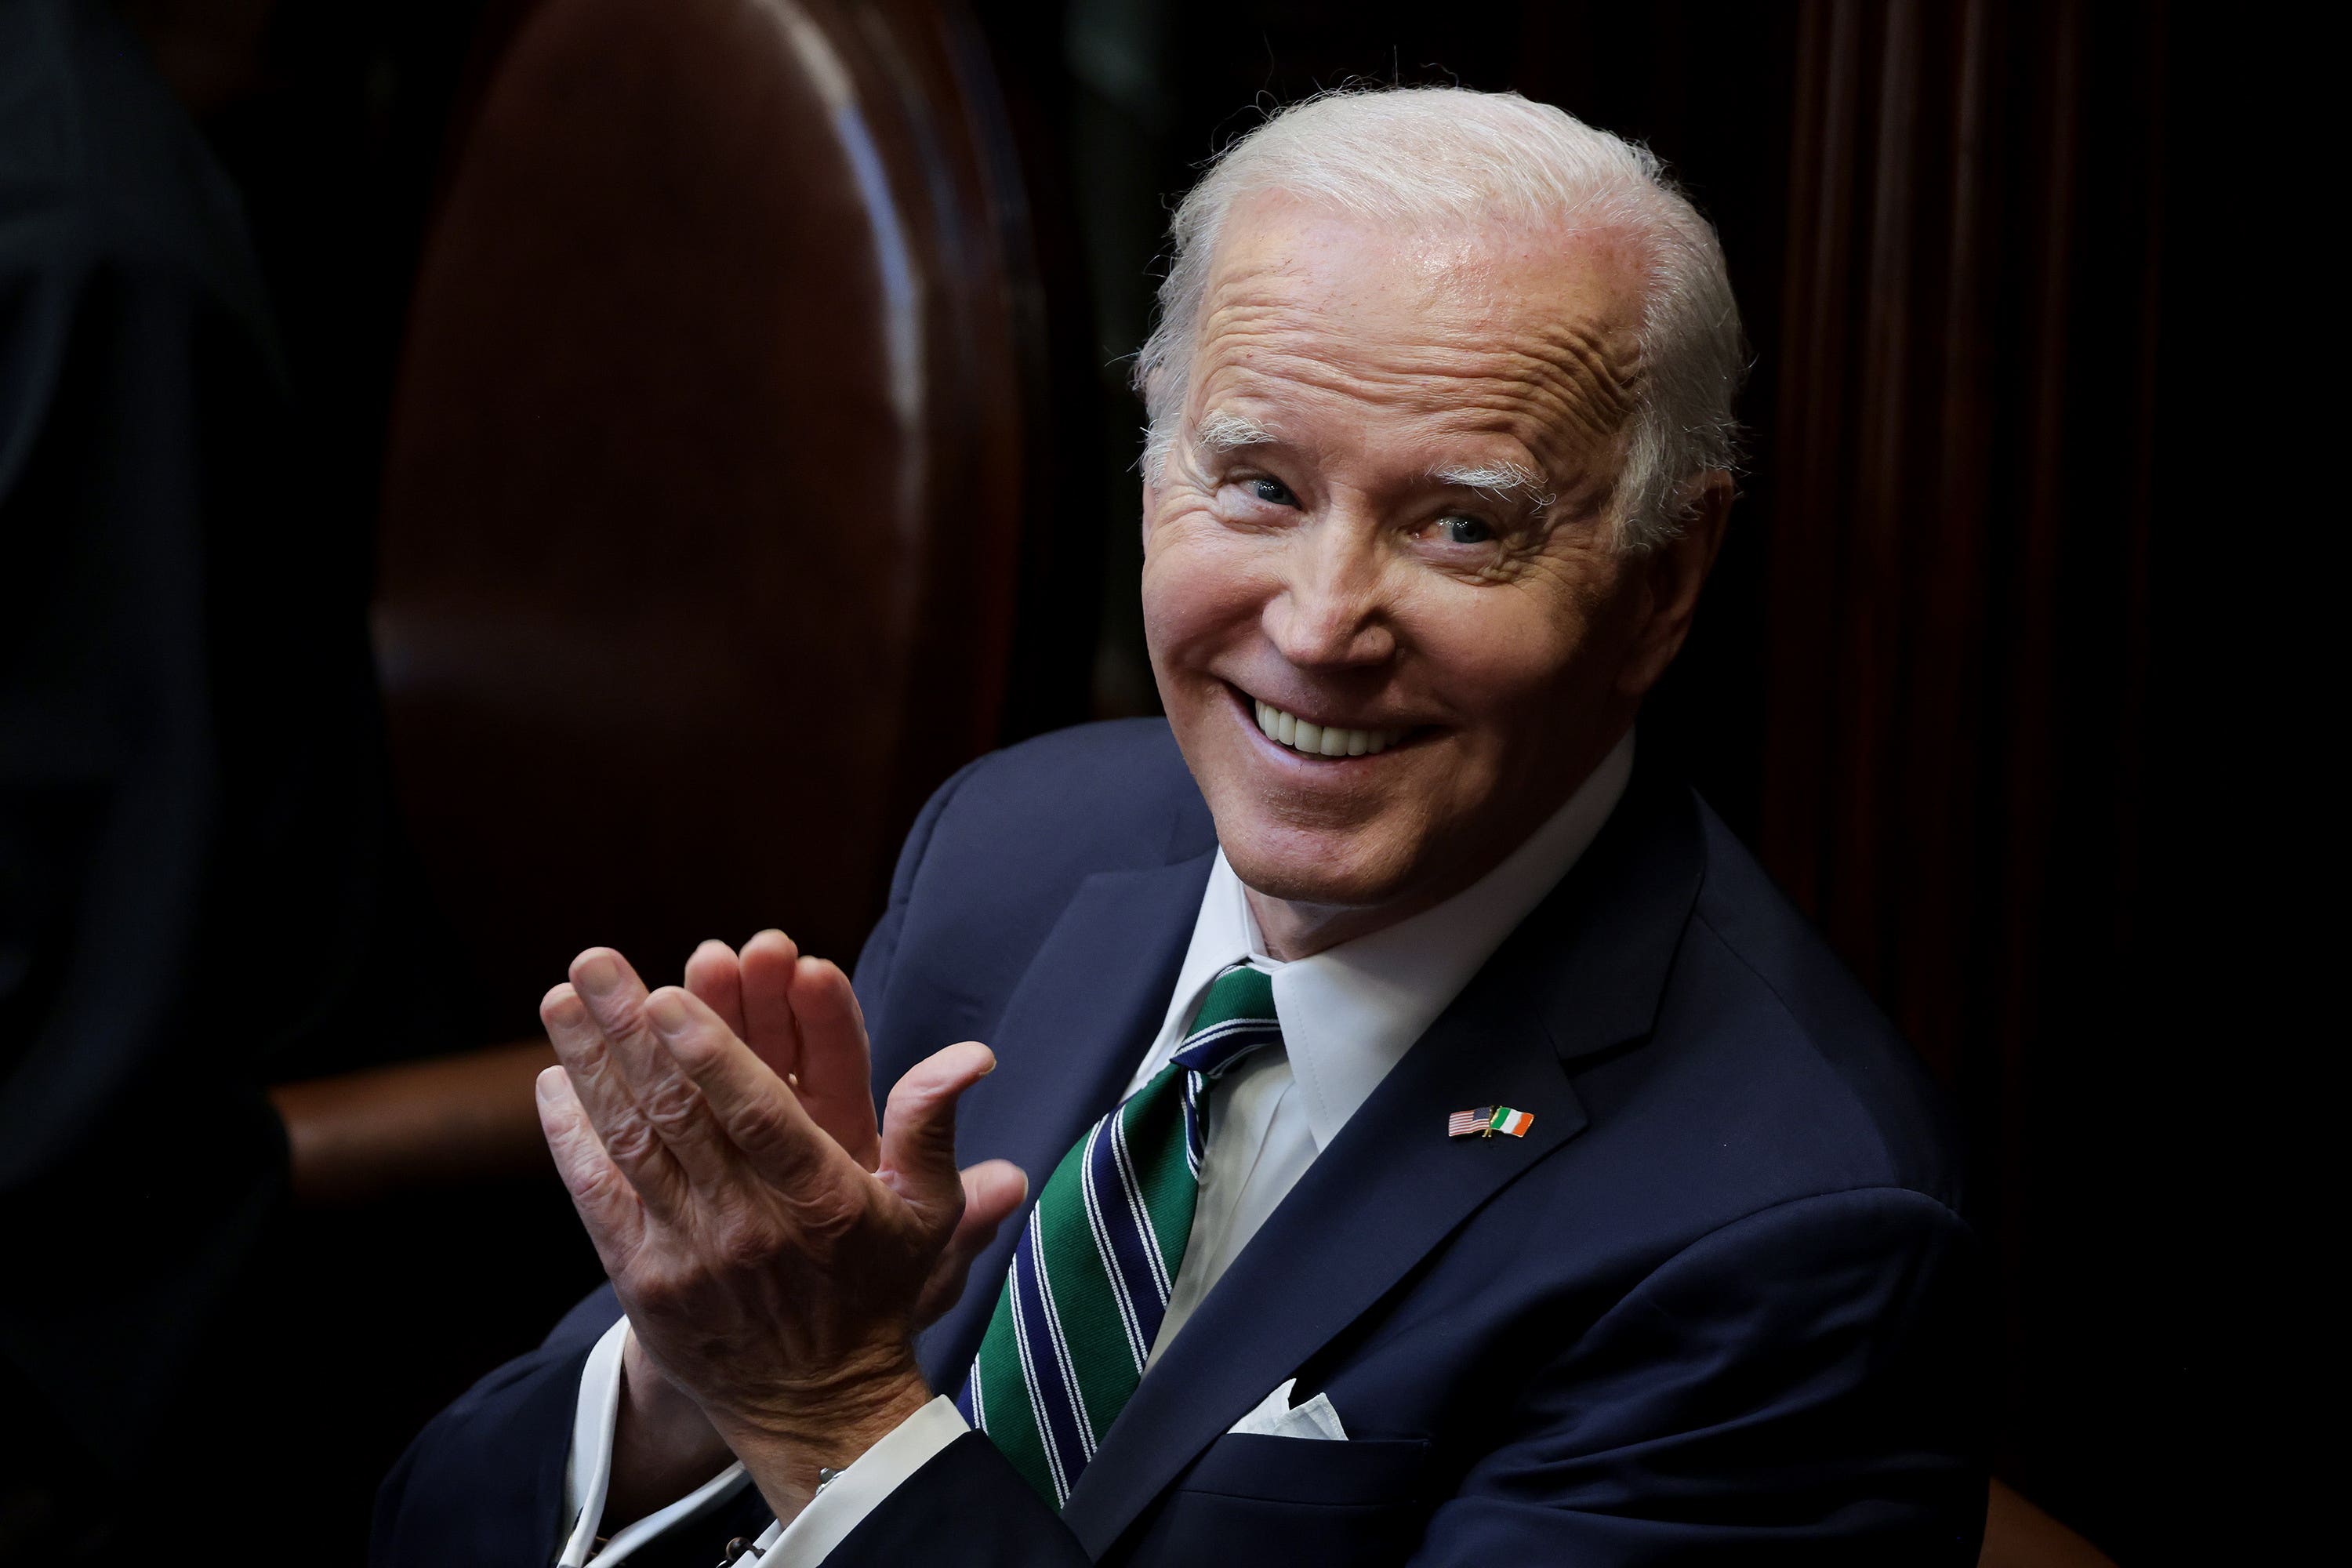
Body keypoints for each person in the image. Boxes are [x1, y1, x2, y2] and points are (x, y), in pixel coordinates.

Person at [374, 87, 1988, 1566]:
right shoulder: (1017, 847)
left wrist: (827, 1413)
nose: (1320, 621)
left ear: (1665, 579)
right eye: (1262, 486)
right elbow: (436, 1531)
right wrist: (684, 1366)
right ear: (1153, 465)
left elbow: (837, 1418)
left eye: (1459, 523)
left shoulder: (1794, 1229)